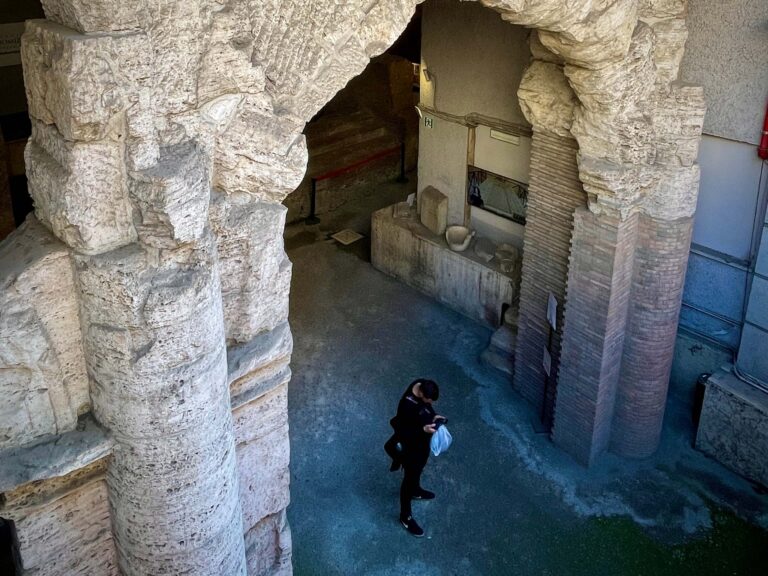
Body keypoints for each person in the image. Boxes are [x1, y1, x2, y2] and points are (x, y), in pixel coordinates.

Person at [385, 378, 445, 537]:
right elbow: (403, 431)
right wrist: (422, 429)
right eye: (428, 399)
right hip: (410, 446)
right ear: (421, 394)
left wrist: (433, 416)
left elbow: (426, 407)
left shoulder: (420, 384)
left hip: (421, 446)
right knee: (409, 479)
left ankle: (416, 490)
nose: (430, 402)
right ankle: (405, 516)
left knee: (418, 469)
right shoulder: (406, 406)